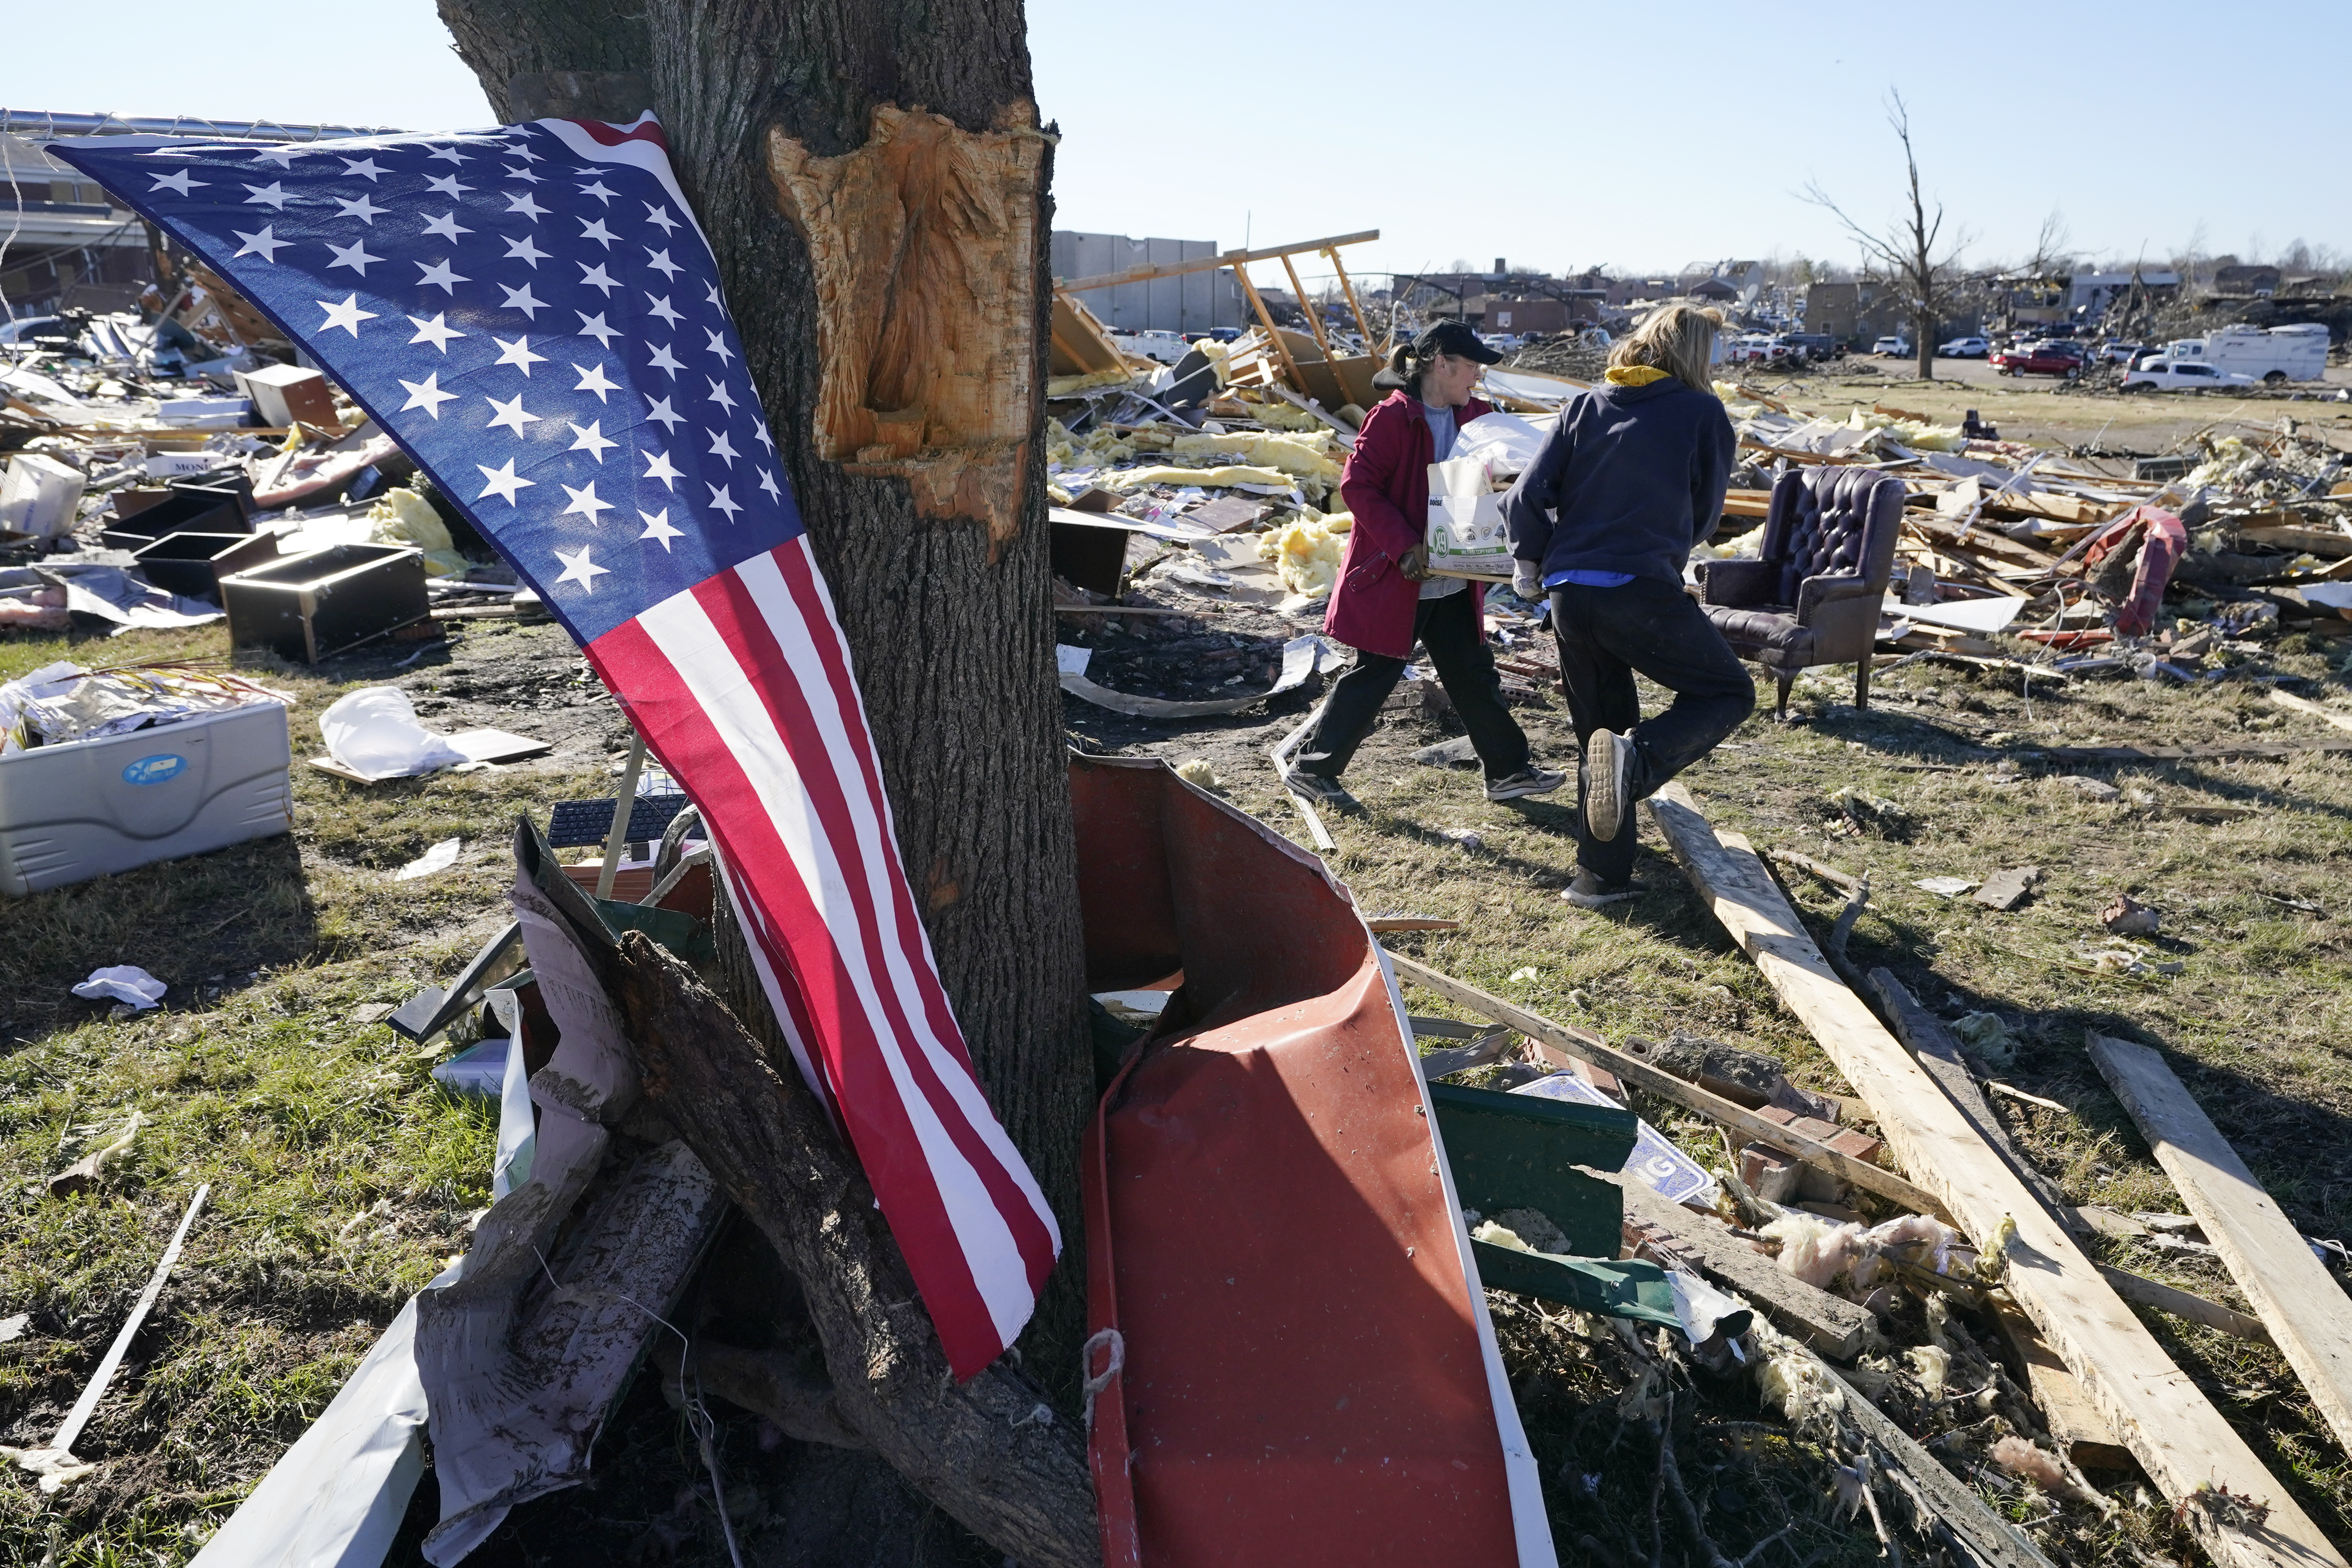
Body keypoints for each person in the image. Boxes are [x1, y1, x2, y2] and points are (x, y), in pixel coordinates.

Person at [1499, 303, 1752, 908]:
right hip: (1636, 588)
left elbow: (1525, 495)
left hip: (1567, 595)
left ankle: (1598, 878)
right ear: (1695, 353)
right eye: (1716, 348)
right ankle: (1637, 763)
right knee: (1727, 694)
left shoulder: (1587, 404)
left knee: (1600, 733)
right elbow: (1705, 512)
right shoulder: (1701, 412)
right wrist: (1666, 546)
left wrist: (1527, 564)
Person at [1285, 321, 1564, 807]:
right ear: (1442, 364)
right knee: (1376, 674)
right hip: (1403, 576)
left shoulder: (1477, 415)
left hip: (1455, 576)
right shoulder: (1392, 417)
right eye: (1472, 366)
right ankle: (1314, 770)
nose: (1477, 377)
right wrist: (1404, 546)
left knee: (1473, 672)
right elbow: (1358, 487)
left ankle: (1507, 771)